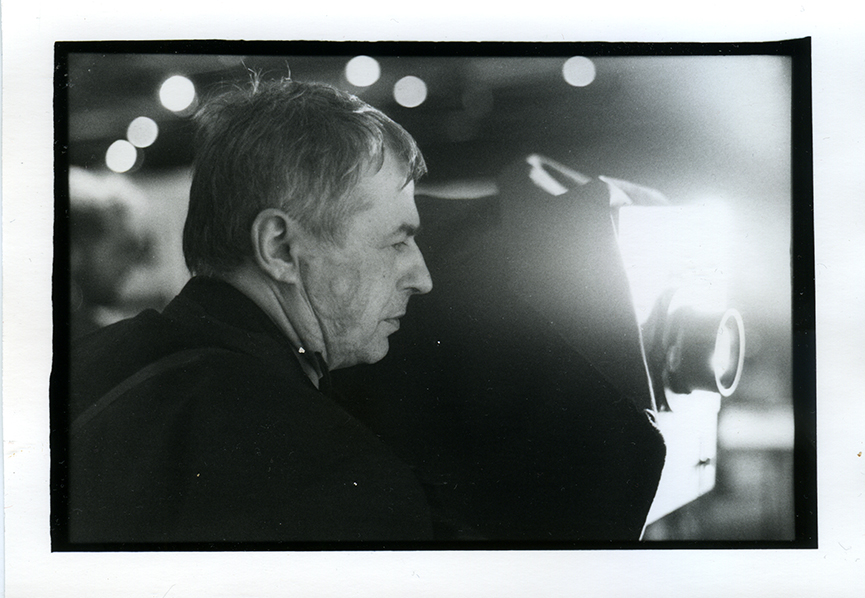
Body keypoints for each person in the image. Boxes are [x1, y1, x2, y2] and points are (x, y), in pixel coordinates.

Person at [63, 78, 435, 544]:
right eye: (397, 241)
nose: (422, 277)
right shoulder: (328, 471)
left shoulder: (80, 367)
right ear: (279, 248)